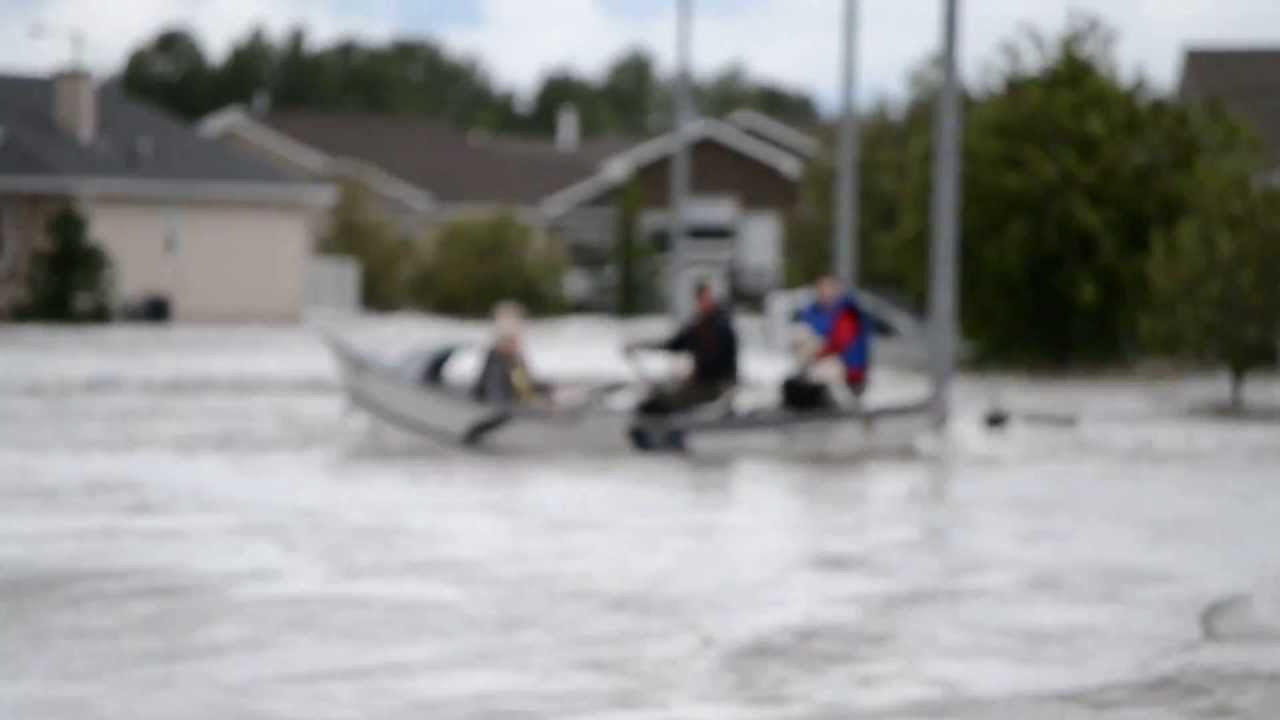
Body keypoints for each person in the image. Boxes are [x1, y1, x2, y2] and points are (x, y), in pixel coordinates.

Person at [630, 280, 739, 417]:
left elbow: (719, 360)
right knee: (660, 394)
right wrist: (643, 346)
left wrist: (696, 374)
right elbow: (675, 343)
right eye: (700, 299)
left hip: (717, 385)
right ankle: (662, 428)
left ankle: (660, 430)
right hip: (704, 382)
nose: (702, 303)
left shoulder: (720, 327)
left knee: (664, 400)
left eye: (705, 298)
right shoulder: (699, 326)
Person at [783, 275, 871, 410]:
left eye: (829, 289)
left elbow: (839, 344)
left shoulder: (847, 315)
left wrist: (816, 352)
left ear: (837, 291)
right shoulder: (811, 313)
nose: (825, 293)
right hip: (817, 365)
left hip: (847, 373)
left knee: (824, 374)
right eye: (821, 289)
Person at [472, 301, 549, 406]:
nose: (517, 341)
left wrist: (549, 390)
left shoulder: (515, 359)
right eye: (510, 339)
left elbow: (527, 385)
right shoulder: (496, 362)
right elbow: (495, 397)